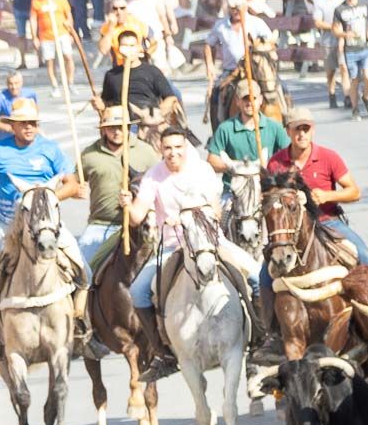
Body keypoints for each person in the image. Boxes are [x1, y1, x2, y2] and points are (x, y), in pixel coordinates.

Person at [119, 125, 260, 382]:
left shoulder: (202, 171)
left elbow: (216, 211)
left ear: (186, 148)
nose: (173, 153)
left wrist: (186, 215)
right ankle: (163, 353)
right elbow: (137, 218)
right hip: (174, 246)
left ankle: (262, 337)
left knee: (258, 276)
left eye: (178, 148)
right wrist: (128, 206)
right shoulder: (153, 176)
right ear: (161, 150)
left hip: (210, 242)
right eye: (168, 149)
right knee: (138, 291)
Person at [0, 97, 82, 366]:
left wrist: (48, 198)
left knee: (81, 266)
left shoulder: (50, 150)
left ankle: (83, 327)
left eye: (33, 123)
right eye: (23, 123)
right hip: (8, 227)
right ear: (12, 126)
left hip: (47, 226)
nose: (29, 127)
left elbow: (72, 184)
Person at [267, 107, 368, 263]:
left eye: (306, 129)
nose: (302, 134)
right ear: (288, 131)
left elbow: (355, 192)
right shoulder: (275, 163)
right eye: (297, 129)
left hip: (328, 222)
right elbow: (268, 201)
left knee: (366, 258)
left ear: (313, 130)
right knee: (264, 280)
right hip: (288, 230)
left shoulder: (328, 157)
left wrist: (326, 196)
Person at [78, 105, 160, 270]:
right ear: (104, 129)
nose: (117, 132)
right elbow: (74, 181)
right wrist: (75, 190)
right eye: (111, 128)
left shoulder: (146, 151)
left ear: (129, 127)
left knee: (160, 268)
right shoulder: (89, 154)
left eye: (121, 127)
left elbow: (161, 183)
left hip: (141, 225)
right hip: (100, 225)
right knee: (82, 272)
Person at [204, 0, 278, 125]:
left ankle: (287, 119)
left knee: (280, 88)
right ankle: (218, 131)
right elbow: (209, 44)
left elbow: (271, 42)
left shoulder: (256, 23)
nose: (236, 11)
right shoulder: (221, 26)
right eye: (233, 8)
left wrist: (258, 47)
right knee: (216, 92)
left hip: (257, 69)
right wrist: (210, 65)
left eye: (238, 8)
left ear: (245, 6)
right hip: (231, 71)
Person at [207, 81, 289, 182]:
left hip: (267, 188)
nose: (249, 103)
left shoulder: (275, 127)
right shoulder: (225, 128)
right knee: (217, 90)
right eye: (245, 99)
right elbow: (212, 160)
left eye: (253, 98)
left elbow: (290, 155)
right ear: (237, 101)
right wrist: (233, 166)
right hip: (233, 189)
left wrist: (272, 166)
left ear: (260, 100)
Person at [95, 30, 178, 118]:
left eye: (132, 46)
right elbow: (106, 102)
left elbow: (170, 97)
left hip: (148, 119)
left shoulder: (152, 71)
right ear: (119, 49)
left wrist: (158, 114)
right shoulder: (111, 75)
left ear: (139, 48)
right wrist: (100, 105)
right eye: (125, 46)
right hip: (121, 121)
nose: (129, 50)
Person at [332, 0, 368, 119]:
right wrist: (345, 34)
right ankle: (355, 108)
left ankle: (366, 97)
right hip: (351, 50)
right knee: (354, 80)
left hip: (366, 47)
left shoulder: (365, 4)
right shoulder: (340, 9)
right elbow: (335, 30)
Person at [29, 0, 75, 97]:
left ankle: (70, 83)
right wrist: (34, 37)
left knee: (68, 57)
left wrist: (71, 32)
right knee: (50, 61)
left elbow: (68, 15)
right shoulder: (36, 1)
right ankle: (55, 86)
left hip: (62, 33)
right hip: (46, 36)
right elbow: (33, 20)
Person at [0, 70, 38, 137]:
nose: (14, 87)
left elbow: (36, 111)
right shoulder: (0, 98)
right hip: (7, 139)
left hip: (26, 137)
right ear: (7, 84)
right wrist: (9, 128)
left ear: (21, 83)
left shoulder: (30, 94)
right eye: (10, 84)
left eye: (16, 83)